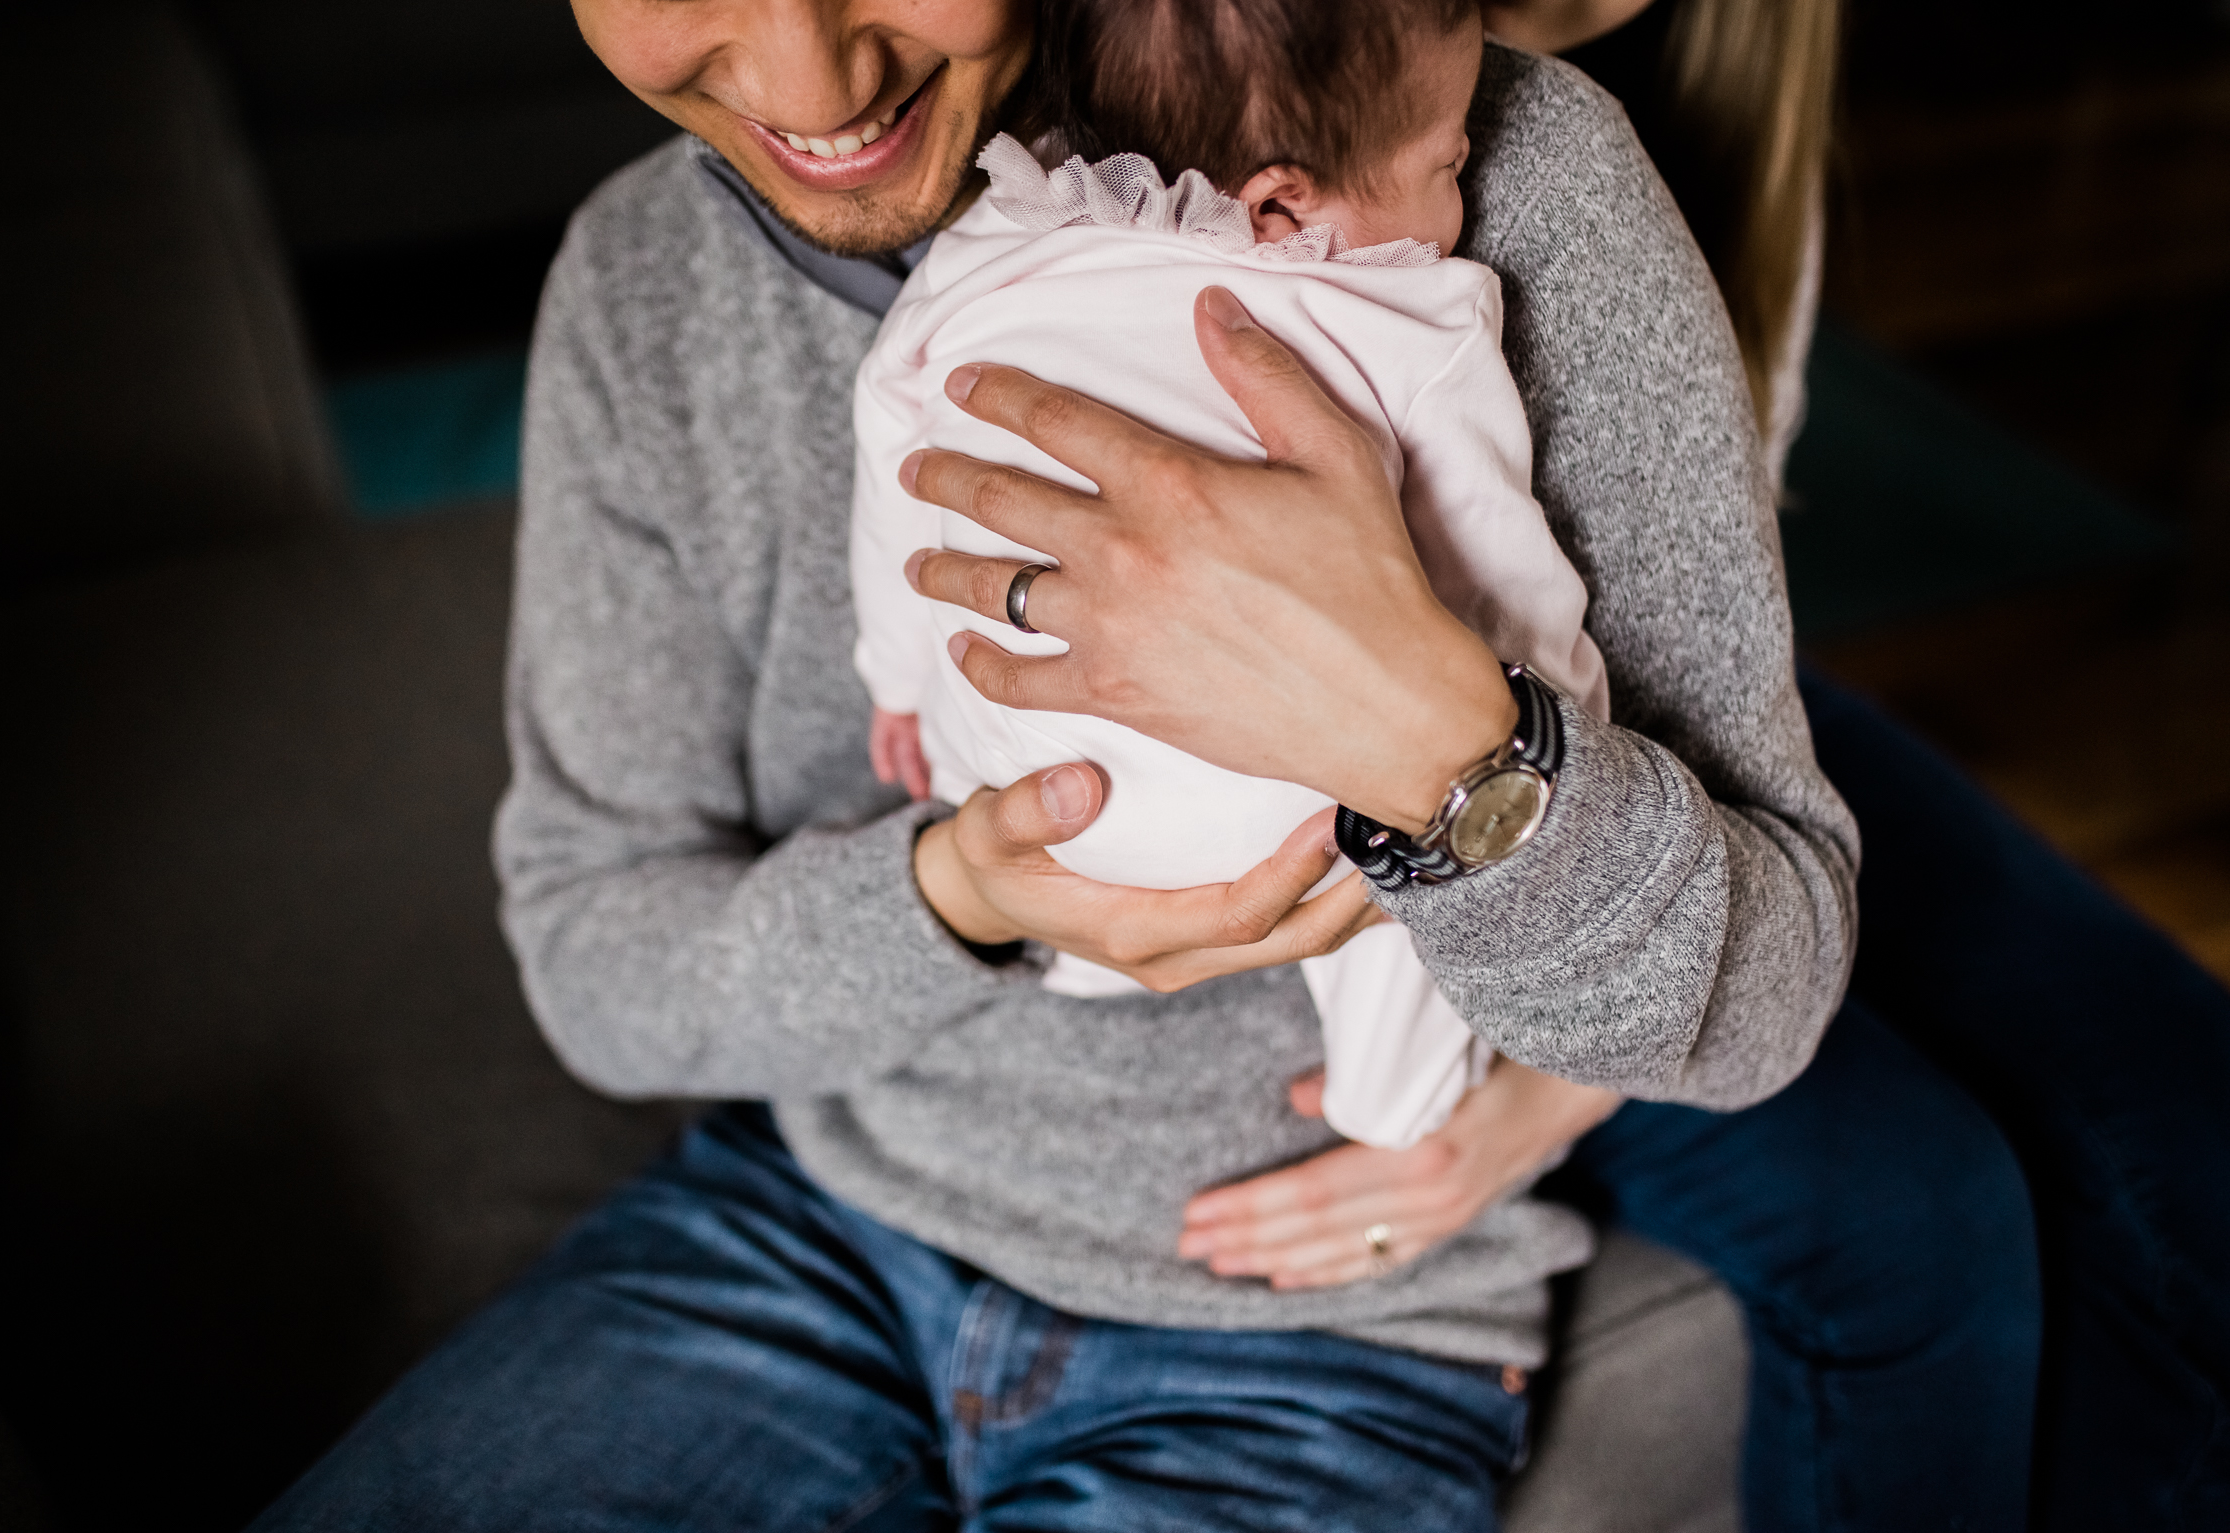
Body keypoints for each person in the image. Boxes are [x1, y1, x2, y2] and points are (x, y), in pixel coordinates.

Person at [250, 1, 2040, 1529]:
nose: (803, 76)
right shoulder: (646, 288)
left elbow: (1763, 990)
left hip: (1311, 1342)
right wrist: (952, 887)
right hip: (809, 1230)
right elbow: (600, 966)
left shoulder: (1485, 158)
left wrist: (1447, 753)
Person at [1179, 0, 2230, 1525]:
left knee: (2190, 1124)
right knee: (1921, 1212)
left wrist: (1561, 1091)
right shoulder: (1227, 64)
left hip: (1666, 705)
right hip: (1415, 812)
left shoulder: (1717, 92)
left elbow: (1720, 649)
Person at [852, 1, 1607, 1150]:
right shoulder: (1408, 320)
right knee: (1399, 894)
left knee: (972, 609)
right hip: (1292, 823)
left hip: (1028, 793)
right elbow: (1503, 576)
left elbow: (889, 451)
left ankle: (1081, 963)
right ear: (1277, 204)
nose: (1459, 203)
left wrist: (896, 680)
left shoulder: (990, 245)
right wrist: (1556, 727)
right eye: (1446, 162)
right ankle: (1391, 1104)